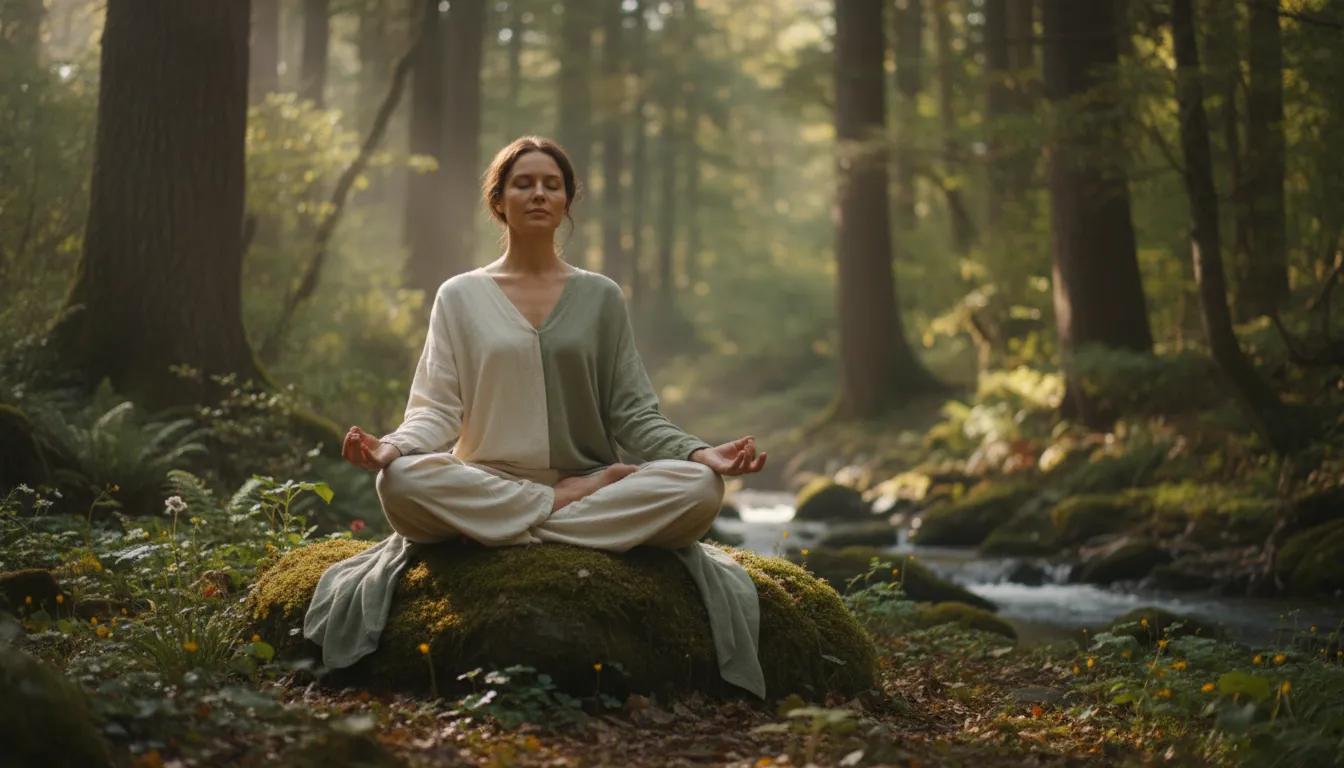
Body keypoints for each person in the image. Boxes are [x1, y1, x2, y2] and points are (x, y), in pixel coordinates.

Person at [303, 136, 768, 698]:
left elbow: (634, 413)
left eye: (552, 184)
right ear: (498, 199)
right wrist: (393, 448)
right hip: (492, 481)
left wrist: (700, 453)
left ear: (568, 200)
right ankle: (556, 506)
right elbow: (436, 410)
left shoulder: (600, 297)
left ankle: (500, 529)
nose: (539, 194)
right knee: (400, 481)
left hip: (580, 490)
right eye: (524, 183)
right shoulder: (460, 296)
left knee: (699, 489)